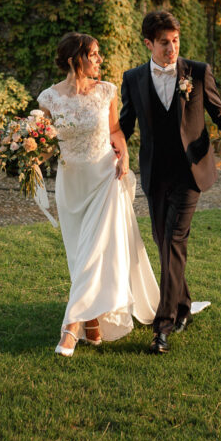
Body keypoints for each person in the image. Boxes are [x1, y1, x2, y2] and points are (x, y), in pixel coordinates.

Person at [115, 10, 221, 354]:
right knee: (165, 245)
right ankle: (185, 305)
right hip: (155, 174)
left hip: (191, 173)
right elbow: (125, 126)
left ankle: (163, 327)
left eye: (175, 41)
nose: (171, 49)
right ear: (148, 43)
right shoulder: (132, 79)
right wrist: (106, 157)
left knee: (173, 242)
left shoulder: (199, 73)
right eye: (164, 43)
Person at [38, 32, 159, 357]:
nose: (100, 60)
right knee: (80, 257)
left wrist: (126, 156)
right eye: (94, 54)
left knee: (93, 253)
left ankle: (71, 329)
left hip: (104, 178)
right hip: (71, 184)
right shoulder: (49, 98)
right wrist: (26, 156)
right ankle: (92, 323)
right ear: (76, 59)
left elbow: (115, 130)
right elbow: (45, 143)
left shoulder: (106, 91)